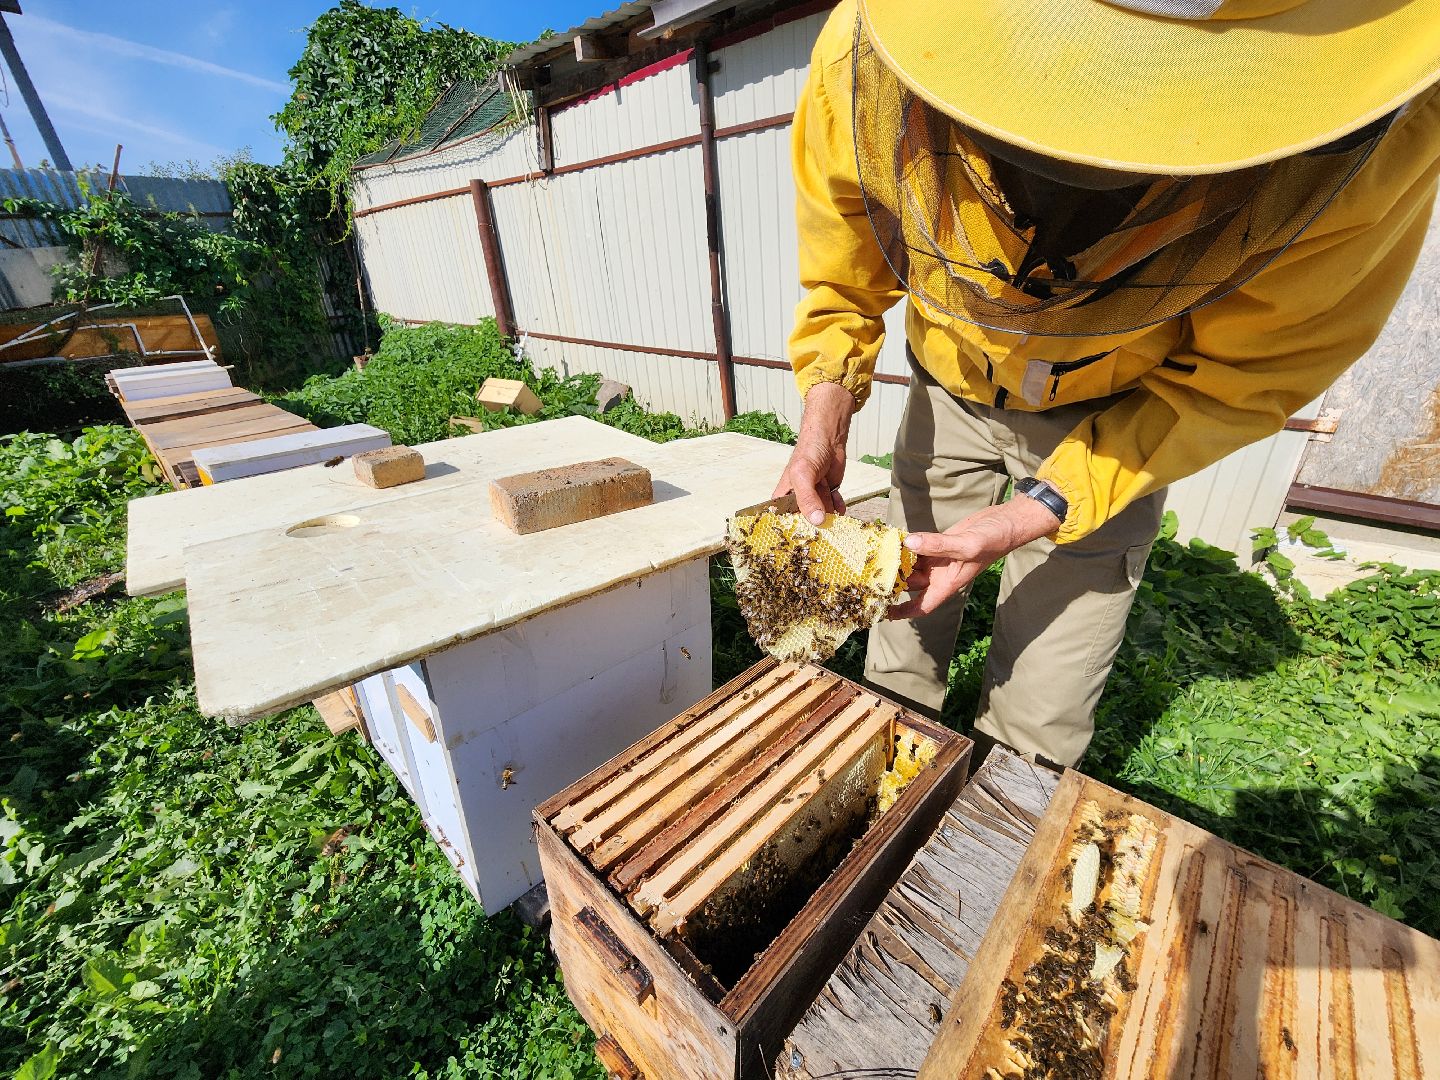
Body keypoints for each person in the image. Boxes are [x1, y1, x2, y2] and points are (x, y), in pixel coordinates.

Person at [772, 0, 1440, 766]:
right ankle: (881, 777)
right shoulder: (863, 48)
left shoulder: (1372, 143)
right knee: (898, 612)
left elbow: (1242, 377)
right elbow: (844, 258)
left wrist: (1050, 505)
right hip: (946, 385)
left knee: (1042, 710)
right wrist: (825, 405)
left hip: (1118, 419)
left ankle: (998, 830)